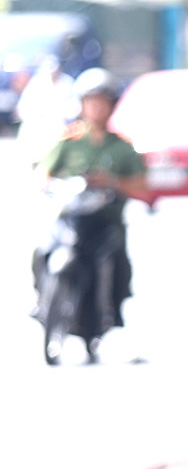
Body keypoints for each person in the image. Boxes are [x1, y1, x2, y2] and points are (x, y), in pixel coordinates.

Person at [32, 68, 147, 361]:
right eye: (91, 101)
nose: (96, 107)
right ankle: (41, 303)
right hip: (72, 218)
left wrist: (111, 182)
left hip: (105, 223)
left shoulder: (122, 147)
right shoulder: (69, 140)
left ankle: (110, 314)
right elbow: (43, 171)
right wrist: (46, 184)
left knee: (115, 263)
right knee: (41, 249)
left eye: (102, 101)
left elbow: (142, 187)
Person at [15, 55, 77, 170]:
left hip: (60, 125)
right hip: (38, 125)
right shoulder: (37, 82)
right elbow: (24, 105)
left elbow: (74, 107)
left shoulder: (67, 83)